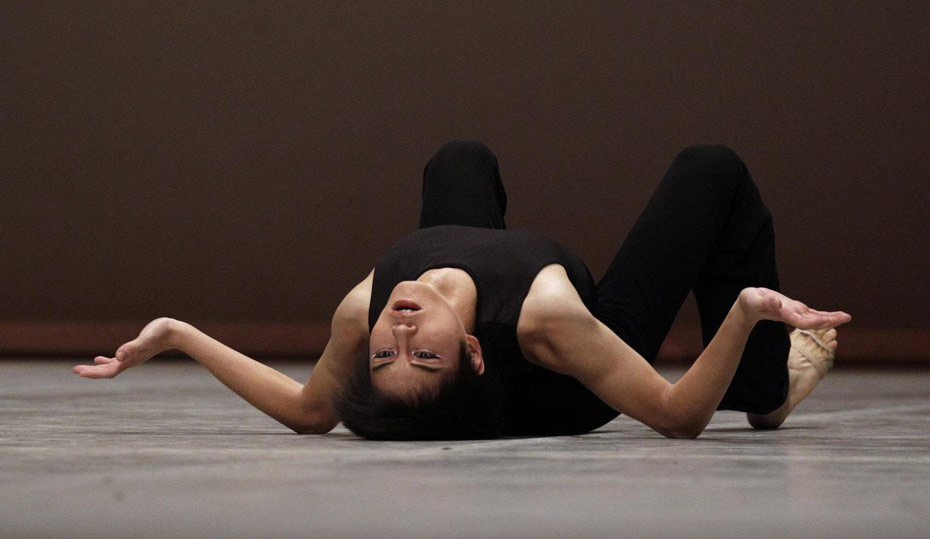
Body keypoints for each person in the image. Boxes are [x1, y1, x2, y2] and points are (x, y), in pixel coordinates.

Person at [74, 141, 850, 440]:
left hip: (491, 302)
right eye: (424, 353)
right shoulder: (552, 324)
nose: (401, 327)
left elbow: (311, 412)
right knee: (711, 170)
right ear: (473, 351)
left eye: (388, 352)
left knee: (458, 162)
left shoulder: (365, 309)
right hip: (571, 381)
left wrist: (176, 333)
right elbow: (680, 418)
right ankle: (766, 393)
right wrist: (749, 312)